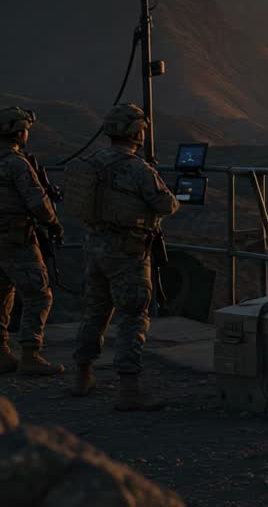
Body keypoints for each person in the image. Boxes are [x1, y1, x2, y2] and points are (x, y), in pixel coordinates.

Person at [66, 104, 178, 410]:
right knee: (132, 316)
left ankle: (82, 375)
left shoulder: (93, 162)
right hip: (128, 252)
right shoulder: (139, 169)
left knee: (95, 312)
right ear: (137, 132)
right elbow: (165, 205)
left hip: (94, 246)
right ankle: (129, 390)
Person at [0, 107, 65, 376]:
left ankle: (2, 354)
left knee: (3, 294)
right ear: (19, 131)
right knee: (39, 294)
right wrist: (53, 223)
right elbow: (38, 203)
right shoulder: (17, 163)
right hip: (16, 239)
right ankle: (30, 354)